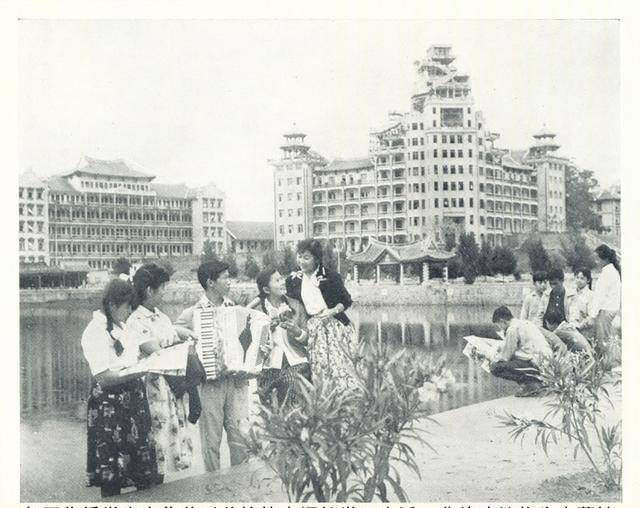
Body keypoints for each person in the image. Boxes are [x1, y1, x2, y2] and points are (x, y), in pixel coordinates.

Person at [81, 279, 157, 498]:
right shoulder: (94, 331)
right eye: (127, 307)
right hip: (110, 406)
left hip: (133, 401)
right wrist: (138, 371)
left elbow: (130, 357)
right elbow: (103, 377)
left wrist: (144, 363)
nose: (130, 312)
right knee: (111, 473)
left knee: (143, 472)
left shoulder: (121, 326)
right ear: (113, 305)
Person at [174, 260, 249, 472]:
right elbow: (172, 330)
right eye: (225, 278)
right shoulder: (193, 313)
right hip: (210, 384)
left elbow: (249, 338)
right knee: (211, 441)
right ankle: (213, 484)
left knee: (240, 439)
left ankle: (240, 482)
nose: (229, 282)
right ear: (210, 282)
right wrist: (190, 336)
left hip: (236, 382)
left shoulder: (235, 309)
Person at [127, 263, 195, 482]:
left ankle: (158, 485)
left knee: (165, 446)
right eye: (162, 287)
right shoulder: (135, 320)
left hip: (169, 388)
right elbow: (156, 352)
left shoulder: (160, 316)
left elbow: (173, 338)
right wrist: (181, 348)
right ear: (150, 290)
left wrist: (187, 339)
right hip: (151, 390)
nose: (165, 291)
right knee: (154, 444)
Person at [285, 238, 359, 393]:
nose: (301, 261)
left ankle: (347, 402)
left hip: (336, 328)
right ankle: (326, 403)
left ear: (316, 259)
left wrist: (332, 311)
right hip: (314, 329)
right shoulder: (293, 280)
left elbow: (346, 301)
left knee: (341, 369)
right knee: (320, 370)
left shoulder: (331, 277)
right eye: (299, 256)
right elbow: (286, 301)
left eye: (306, 257)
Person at [253, 268, 312, 407]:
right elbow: (251, 346)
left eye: (282, 278)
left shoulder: (296, 305)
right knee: (269, 412)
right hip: (267, 367)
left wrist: (296, 331)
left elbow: (308, 340)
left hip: (296, 363)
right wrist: (267, 330)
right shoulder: (257, 311)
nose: (282, 282)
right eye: (277, 280)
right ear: (266, 289)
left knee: (294, 409)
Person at [490, 306, 553, 397]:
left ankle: (533, 384)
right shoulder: (526, 323)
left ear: (502, 321)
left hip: (538, 364)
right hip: (546, 362)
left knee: (495, 367)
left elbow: (506, 357)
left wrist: (491, 357)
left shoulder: (512, 329)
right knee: (511, 360)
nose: (500, 328)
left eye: (499, 325)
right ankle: (533, 384)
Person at [589, 244, 621, 344]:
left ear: (605, 259)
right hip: (611, 309)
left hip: (605, 310)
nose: (596, 262)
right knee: (606, 340)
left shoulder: (607, 273)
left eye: (597, 259)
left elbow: (600, 296)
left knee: (603, 342)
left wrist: (592, 315)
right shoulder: (612, 271)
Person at [568, 268, 594, 337]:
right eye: (577, 278)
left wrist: (579, 326)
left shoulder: (591, 295)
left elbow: (591, 316)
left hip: (583, 331)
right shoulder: (571, 293)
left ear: (588, 280)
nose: (579, 280)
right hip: (569, 329)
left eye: (582, 278)